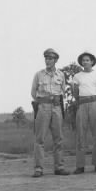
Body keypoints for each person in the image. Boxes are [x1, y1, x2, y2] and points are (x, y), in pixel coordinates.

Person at [31, 48, 70, 177]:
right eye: (46, 58)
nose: (47, 61)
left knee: (58, 138)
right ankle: (38, 168)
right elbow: (33, 93)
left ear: (56, 60)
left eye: (50, 58)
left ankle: (59, 167)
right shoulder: (39, 74)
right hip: (43, 107)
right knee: (40, 138)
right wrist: (43, 102)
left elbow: (63, 91)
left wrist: (56, 102)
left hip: (57, 107)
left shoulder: (61, 75)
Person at [72, 51, 96, 174]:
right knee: (80, 135)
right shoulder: (77, 76)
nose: (85, 62)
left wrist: (95, 101)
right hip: (82, 104)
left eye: (88, 60)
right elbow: (75, 92)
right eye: (83, 60)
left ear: (92, 61)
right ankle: (80, 165)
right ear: (81, 63)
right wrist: (81, 101)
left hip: (95, 104)